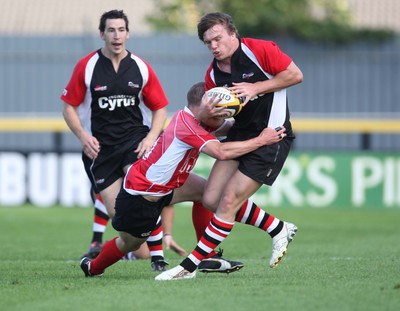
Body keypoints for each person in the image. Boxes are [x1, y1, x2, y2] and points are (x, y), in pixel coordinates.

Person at [79, 81, 286, 277]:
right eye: (218, 114)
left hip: (167, 186)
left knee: (211, 194)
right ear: (205, 106)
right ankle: (93, 268)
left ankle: (209, 255)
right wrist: (261, 140)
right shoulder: (186, 123)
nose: (222, 119)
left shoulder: (201, 120)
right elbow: (221, 151)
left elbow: (232, 128)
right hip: (141, 196)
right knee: (130, 244)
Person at [156, 12, 303, 280]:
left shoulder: (260, 50)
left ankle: (188, 268)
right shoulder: (212, 74)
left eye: (217, 38)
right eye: (208, 42)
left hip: (272, 137)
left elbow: (295, 75)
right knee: (211, 199)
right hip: (240, 136)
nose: (213, 45)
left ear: (232, 33)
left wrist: (255, 87)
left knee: (228, 201)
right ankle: (278, 228)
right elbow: (214, 117)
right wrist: (208, 113)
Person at [61, 9, 183, 271]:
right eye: (111, 30)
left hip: (134, 143)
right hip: (101, 152)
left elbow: (160, 107)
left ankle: (159, 257)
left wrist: (151, 137)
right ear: (102, 34)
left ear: (128, 33)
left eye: (121, 30)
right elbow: (68, 106)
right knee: (125, 222)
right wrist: (83, 136)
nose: (116, 35)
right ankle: (129, 253)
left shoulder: (140, 67)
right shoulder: (87, 66)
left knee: (143, 192)